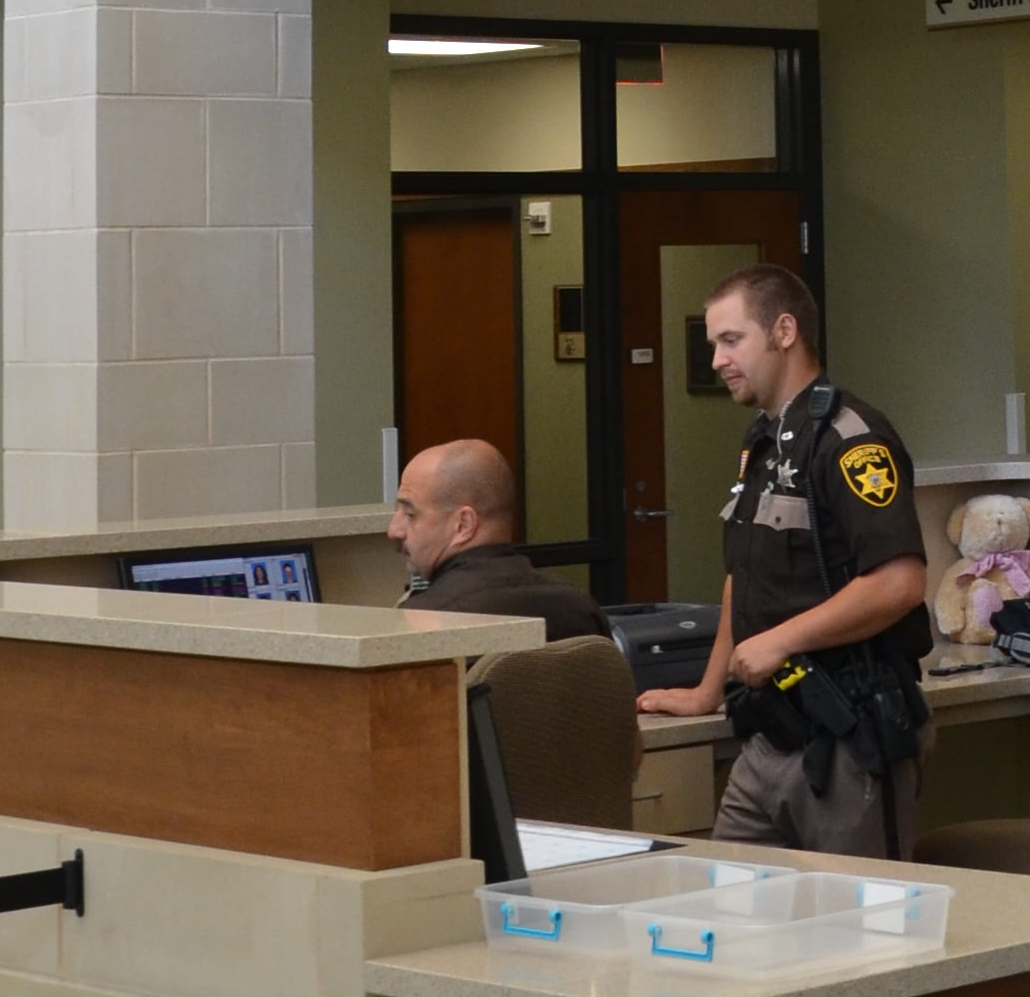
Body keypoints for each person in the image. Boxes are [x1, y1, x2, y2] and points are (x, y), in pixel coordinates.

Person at [638, 266, 932, 854]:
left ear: (785, 331)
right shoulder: (764, 443)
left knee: (856, 936)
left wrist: (781, 642)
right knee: (731, 914)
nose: (718, 359)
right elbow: (742, 581)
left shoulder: (850, 439)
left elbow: (899, 582)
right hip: (767, 737)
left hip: (848, 737)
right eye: (713, 344)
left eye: (730, 339)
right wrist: (707, 690)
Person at [388, 440, 623, 640]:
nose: (394, 530)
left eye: (410, 514)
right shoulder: (580, 608)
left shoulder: (425, 622)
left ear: (464, 525)